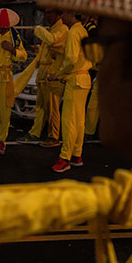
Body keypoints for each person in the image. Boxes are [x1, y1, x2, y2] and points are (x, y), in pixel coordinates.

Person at [46, 13, 91, 172]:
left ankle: (64, 158)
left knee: (69, 121)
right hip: (84, 79)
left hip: (75, 78)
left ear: (72, 14)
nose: (61, 16)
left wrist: (57, 73)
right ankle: (76, 154)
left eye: (64, 12)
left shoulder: (73, 32)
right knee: (79, 121)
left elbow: (71, 59)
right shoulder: (83, 30)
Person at [17, 9, 68, 146]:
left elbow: (52, 41)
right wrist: (39, 50)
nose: (47, 15)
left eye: (50, 13)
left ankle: (53, 136)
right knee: (40, 106)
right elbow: (51, 46)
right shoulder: (53, 29)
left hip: (51, 73)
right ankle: (35, 133)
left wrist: (38, 29)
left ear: (59, 14)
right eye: (46, 13)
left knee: (52, 107)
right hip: (44, 72)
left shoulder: (62, 29)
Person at [0, 8, 27, 155]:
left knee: (5, 110)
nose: (3, 29)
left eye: (6, 26)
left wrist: (13, 50)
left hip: (5, 76)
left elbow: (23, 56)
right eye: (1, 26)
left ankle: (1, 141)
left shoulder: (15, 36)